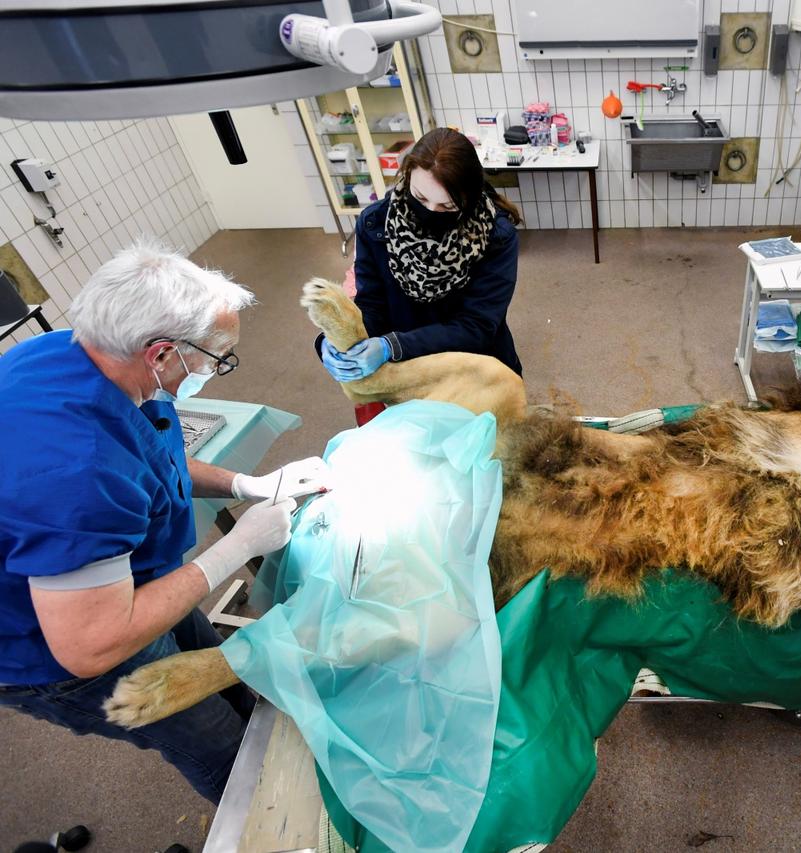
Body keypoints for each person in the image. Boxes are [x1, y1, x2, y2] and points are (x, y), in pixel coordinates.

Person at [0, 243, 331, 802]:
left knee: (221, 667)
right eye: (215, 355)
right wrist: (233, 550)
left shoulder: (81, 352)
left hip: (131, 578)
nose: (215, 368)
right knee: (222, 748)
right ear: (160, 353)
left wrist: (244, 484)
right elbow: (91, 646)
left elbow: (150, 455)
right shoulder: (76, 472)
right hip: (56, 645)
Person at [319, 128, 524, 421]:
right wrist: (337, 340)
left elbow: (476, 326)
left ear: (470, 196)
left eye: (447, 206)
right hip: (406, 374)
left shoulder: (494, 235)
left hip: (473, 369)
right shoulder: (377, 224)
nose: (430, 211)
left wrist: (390, 346)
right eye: (420, 197)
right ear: (407, 175)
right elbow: (372, 304)